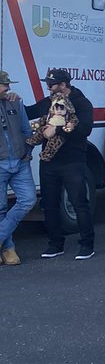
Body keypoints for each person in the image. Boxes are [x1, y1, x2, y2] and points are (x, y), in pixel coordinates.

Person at [24, 68, 95, 260]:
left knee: (79, 202)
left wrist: (58, 130)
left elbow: (85, 129)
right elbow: (29, 111)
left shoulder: (82, 103)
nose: (48, 88)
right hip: (49, 161)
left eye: (51, 85)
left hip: (73, 161)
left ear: (63, 85)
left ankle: (87, 245)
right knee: (50, 203)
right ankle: (55, 244)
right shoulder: (49, 102)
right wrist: (11, 100)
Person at [0, 70, 37, 266]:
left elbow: (26, 130)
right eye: (4, 84)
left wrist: (27, 150)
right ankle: (8, 248)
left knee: (28, 199)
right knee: (0, 207)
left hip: (20, 160)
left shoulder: (15, 102)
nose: (8, 88)